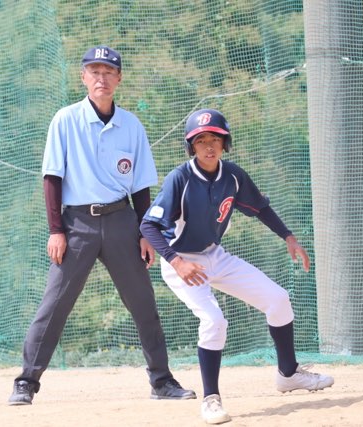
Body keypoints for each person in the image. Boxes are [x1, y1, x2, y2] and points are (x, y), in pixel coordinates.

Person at [8, 45, 196, 405]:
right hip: (76, 224)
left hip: (122, 221)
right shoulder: (65, 120)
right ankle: (26, 381)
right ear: (83, 77)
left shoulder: (132, 126)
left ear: (119, 78)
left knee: (143, 303)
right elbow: (52, 178)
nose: (101, 78)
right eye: (94, 71)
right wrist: (56, 230)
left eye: (109, 72)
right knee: (54, 304)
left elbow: (141, 187)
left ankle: (161, 381)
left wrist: (145, 233)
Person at [140, 108, 334, 424]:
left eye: (215, 138)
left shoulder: (232, 175)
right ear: (191, 146)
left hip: (214, 255)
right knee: (214, 321)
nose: (208, 145)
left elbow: (260, 207)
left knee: (278, 299)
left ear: (225, 142)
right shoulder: (180, 178)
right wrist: (176, 261)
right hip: (181, 261)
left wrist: (288, 236)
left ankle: (288, 374)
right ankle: (211, 400)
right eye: (200, 140)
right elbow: (148, 226)